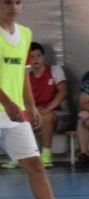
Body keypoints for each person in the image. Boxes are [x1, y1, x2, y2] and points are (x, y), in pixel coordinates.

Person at [0, 0, 87, 199]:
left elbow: (23, 74)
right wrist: (8, 102)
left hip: (15, 115)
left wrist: (29, 106)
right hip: (8, 108)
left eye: (18, 2)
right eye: (7, 2)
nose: (14, 7)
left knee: (36, 166)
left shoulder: (25, 34)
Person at [4, 41, 70, 169]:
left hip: (59, 114)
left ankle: (46, 155)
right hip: (36, 113)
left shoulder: (55, 70)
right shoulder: (25, 75)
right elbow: (20, 97)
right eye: (32, 57)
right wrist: (31, 110)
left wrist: (46, 109)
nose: (35, 59)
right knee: (15, 120)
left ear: (43, 57)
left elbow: (63, 92)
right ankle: (19, 157)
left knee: (46, 117)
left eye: (38, 56)